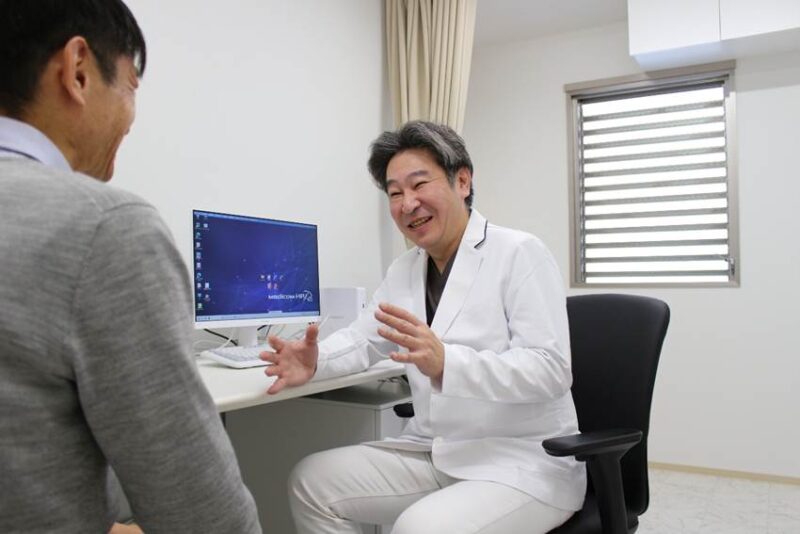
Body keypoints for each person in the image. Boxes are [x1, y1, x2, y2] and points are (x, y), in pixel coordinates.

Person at [0, 1, 261, 533]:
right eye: (130, 87)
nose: (132, 118)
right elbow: (205, 517)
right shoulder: (103, 226)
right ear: (77, 70)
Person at [262, 121, 586, 533]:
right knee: (312, 482)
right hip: (436, 451)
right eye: (395, 193)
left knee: (419, 528)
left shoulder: (519, 252)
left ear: (462, 181)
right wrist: (315, 361)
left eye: (419, 184)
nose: (407, 203)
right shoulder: (405, 269)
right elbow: (364, 341)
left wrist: (448, 362)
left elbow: (551, 368)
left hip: (520, 461)